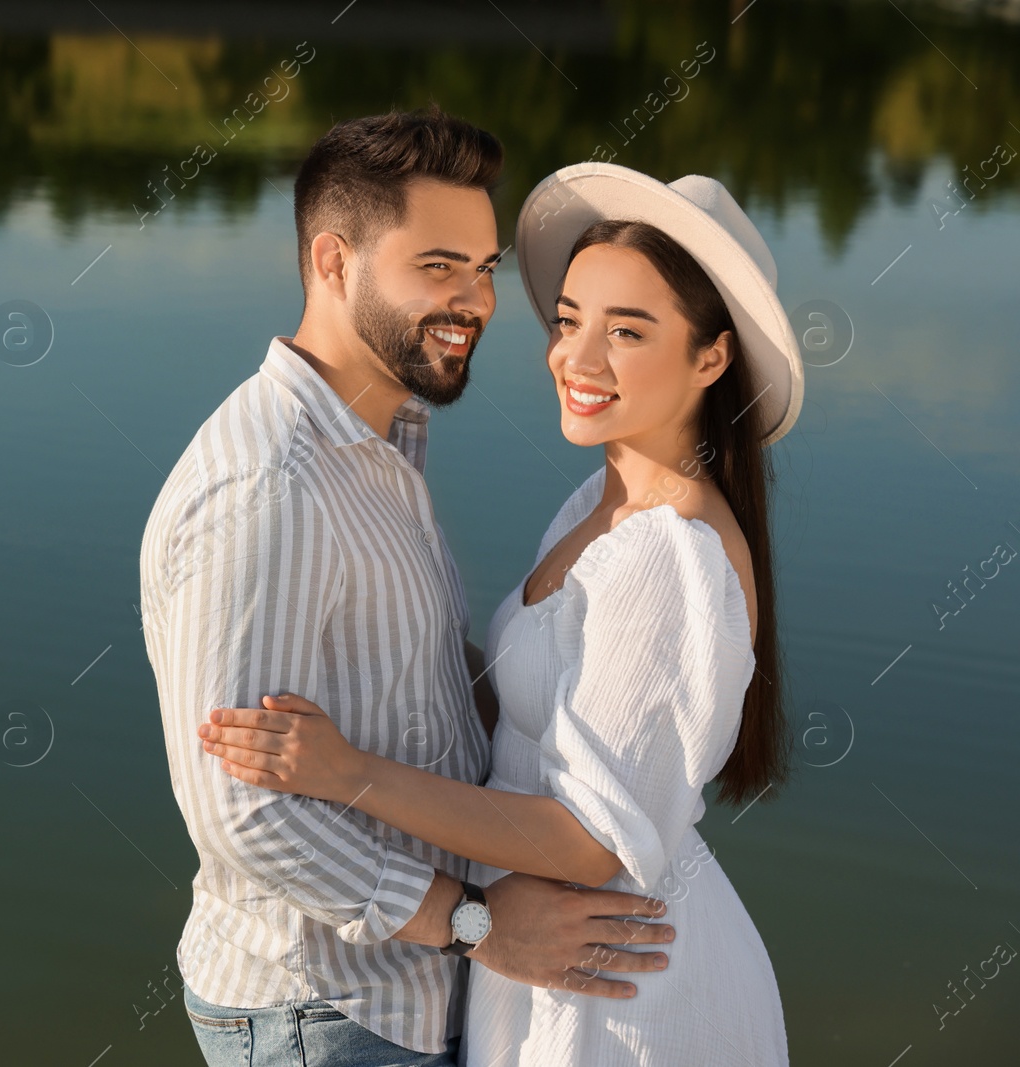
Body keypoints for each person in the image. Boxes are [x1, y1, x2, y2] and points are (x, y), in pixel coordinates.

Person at [196, 161, 803, 1064]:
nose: (577, 359)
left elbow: (587, 841)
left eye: (627, 332)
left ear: (711, 357)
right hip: (553, 956)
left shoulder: (668, 557)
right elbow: (531, 717)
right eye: (568, 322)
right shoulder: (596, 508)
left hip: (625, 991)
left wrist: (349, 771)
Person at [140, 110, 677, 1067]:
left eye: (484, 268)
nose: (475, 300)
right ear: (333, 262)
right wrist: (473, 923)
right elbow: (243, 813)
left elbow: (411, 686)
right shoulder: (268, 487)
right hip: (326, 1011)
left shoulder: (384, 437)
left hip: (394, 998)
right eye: (438, 266)